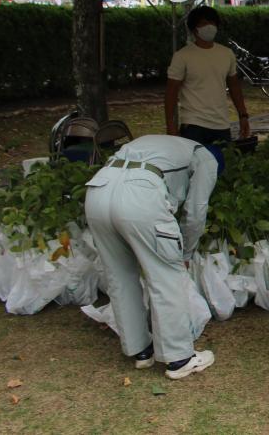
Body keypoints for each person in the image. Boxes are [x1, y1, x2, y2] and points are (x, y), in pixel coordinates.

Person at [83, 135, 222, 379]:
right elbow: (195, 212)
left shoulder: (161, 142)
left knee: (119, 275)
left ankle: (141, 351)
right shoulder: (207, 158)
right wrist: (185, 252)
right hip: (141, 199)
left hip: (97, 193)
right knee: (167, 275)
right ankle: (179, 359)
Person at [165, 6, 250, 146]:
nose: (209, 27)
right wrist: (171, 126)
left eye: (212, 23)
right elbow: (171, 92)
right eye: (203, 23)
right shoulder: (182, 56)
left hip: (222, 124)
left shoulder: (226, 54)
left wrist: (243, 115)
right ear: (194, 29)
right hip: (193, 125)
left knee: (222, 165)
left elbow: (234, 86)